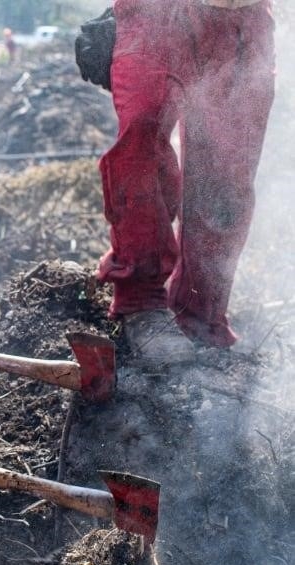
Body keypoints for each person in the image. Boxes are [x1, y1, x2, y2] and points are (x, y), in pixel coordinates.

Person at [96, 0, 275, 363]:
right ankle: (141, 301)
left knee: (226, 175)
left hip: (242, 19)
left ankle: (201, 312)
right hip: (155, 14)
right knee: (140, 137)